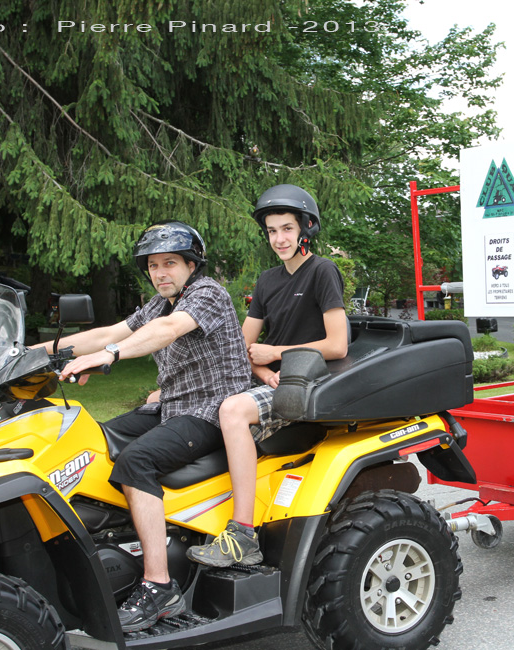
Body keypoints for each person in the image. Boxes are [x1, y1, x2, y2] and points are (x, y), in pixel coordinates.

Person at [47, 221, 251, 632]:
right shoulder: (159, 303)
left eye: (170, 263)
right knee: (93, 438)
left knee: (137, 460)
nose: (160, 273)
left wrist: (109, 355)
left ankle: (159, 586)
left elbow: (165, 332)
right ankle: (111, 536)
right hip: (172, 405)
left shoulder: (206, 293)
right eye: (154, 266)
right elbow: (111, 331)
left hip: (210, 410)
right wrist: (33, 353)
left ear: (191, 265)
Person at [186, 184, 349, 568]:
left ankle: (242, 534)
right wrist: (261, 369)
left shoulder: (322, 272)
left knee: (232, 411)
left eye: (288, 229)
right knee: (174, 400)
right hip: (274, 379)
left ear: (306, 229)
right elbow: (244, 346)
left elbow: (338, 345)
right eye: (273, 231)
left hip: (309, 382)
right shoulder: (267, 281)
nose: (279, 238)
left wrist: (275, 355)